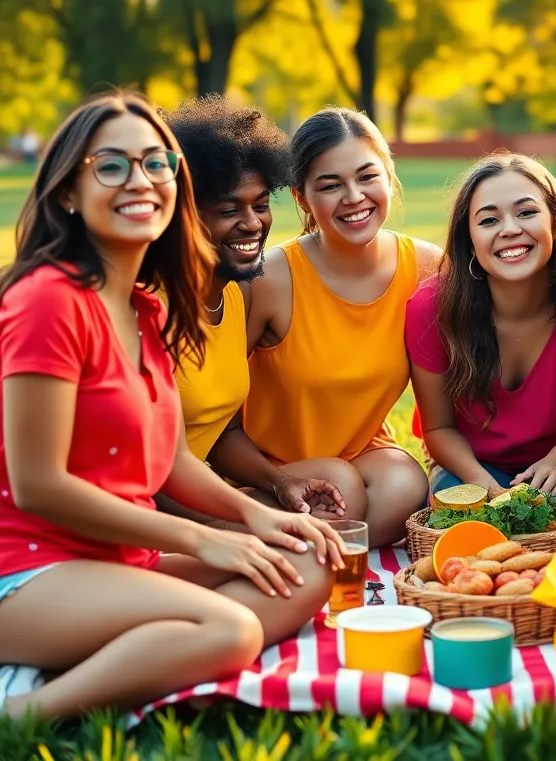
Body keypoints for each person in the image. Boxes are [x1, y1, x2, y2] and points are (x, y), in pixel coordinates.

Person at [0, 92, 341, 719]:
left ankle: (124, 656)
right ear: (69, 192)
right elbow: (37, 485)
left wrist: (256, 517)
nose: (141, 180)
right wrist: (206, 540)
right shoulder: (46, 298)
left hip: (122, 561)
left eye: (157, 164)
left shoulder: (145, 308)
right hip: (29, 572)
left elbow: (172, 459)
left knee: (307, 565)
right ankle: (24, 711)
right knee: (232, 631)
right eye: (112, 166)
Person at [243, 108, 437, 547]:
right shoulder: (270, 277)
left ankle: (306, 543)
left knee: (406, 485)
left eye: (367, 176)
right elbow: (214, 406)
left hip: (362, 455)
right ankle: (271, 532)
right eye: (330, 185)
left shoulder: (424, 267)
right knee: (340, 485)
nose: (353, 197)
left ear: (389, 176)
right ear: (301, 198)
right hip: (267, 466)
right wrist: (270, 478)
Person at [164, 97, 344, 519]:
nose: (252, 224)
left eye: (261, 205)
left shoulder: (234, 294)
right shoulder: (150, 307)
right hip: (149, 508)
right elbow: (147, 468)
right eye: (229, 210)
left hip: (198, 494)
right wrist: (236, 533)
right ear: (184, 217)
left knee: (338, 489)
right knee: (302, 558)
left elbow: (221, 429)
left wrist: (280, 483)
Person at [406, 154, 556, 507]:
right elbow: (438, 429)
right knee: (462, 522)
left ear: (555, 223)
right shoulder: (431, 309)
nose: (510, 229)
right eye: (489, 220)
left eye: (527, 212)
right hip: (470, 467)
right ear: (469, 241)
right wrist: (484, 486)